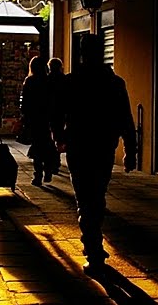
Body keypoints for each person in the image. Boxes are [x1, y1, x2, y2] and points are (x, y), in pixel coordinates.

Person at [52, 35, 137, 276]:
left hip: (79, 145)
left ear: (82, 54)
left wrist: (59, 137)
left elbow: (57, 114)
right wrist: (131, 150)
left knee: (85, 197)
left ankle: (93, 247)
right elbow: (126, 119)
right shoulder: (114, 83)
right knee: (96, 196)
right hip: (103, 146)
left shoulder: (71, 82)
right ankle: (94, 245)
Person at [20, 56, 59, 186]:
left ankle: (38, 174)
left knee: (37, 145)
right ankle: (48, 170)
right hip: (47, 117)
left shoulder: (30, 81)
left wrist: (24, 116)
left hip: (34, 118)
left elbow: (25, 101)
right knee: (47, 144)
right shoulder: (49, 81)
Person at [47, 57, 66, 175]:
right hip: (61, 111)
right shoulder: (64, 79)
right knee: (58, 134)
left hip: (50, 111)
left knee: (51, 136)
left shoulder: (47, 80)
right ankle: (56, 159)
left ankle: (53, 160)